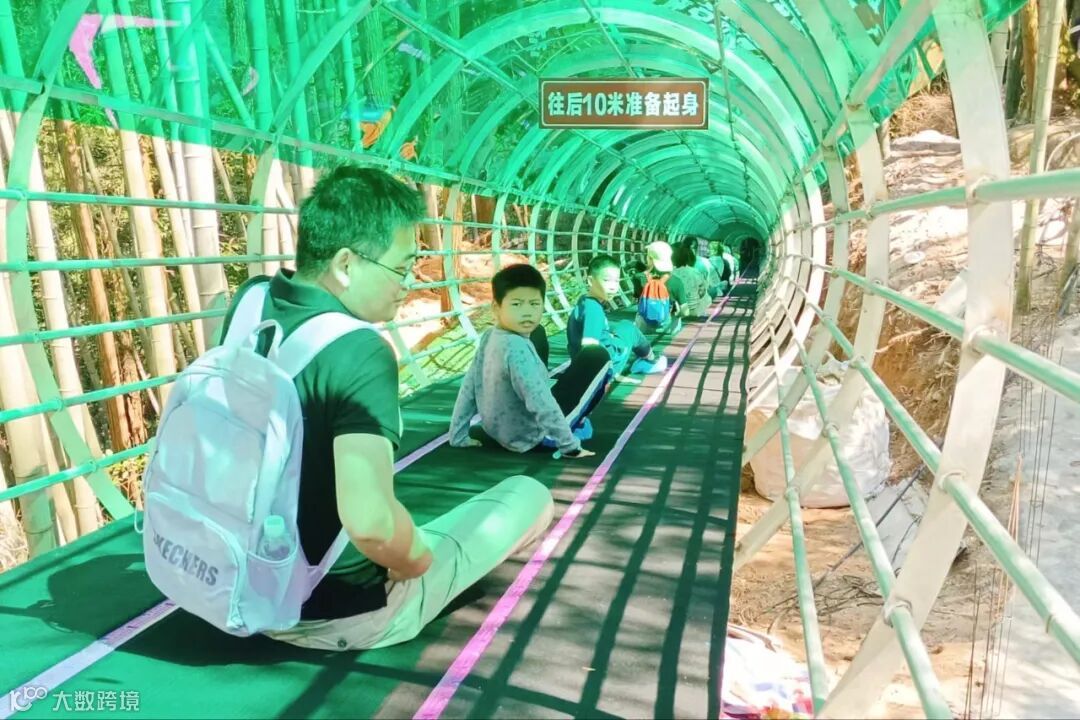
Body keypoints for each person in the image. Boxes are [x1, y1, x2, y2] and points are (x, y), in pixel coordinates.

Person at [216, 165, 554, 651]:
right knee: (528, 494)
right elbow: (371, 523)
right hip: (336, 616)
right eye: (401, 266)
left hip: (235, 585)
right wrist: (416, 562)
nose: (409, 282)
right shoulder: (359, 351)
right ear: (346, 264)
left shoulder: (250, 302)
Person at [450, 264, 609, 457]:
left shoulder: (489, 336)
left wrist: (458, 435)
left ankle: (559, 426)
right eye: (516, 304)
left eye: (534, 304)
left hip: (497, 430)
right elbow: (538, 399)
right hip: (532, 437)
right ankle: (574, 425)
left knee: (538, 333)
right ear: (496, 307)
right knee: (597, 355)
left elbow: (469, 387)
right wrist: (569, 446)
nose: (527, 312)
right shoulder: (516, 347)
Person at [567, 253, 667, 377]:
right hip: (608, 365)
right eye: (606, 280)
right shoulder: (594, 310)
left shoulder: (584, 301)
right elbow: (589, 346)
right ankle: (650, 361)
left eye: (616, 281)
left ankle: (646, 360)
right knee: (630, 329)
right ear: (590, 281)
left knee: (622, 325)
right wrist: (603, 377)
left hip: (580, 361)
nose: (613, 287)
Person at [668, 244, 710, 319]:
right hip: (695, 311)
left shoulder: (671, 274)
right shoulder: (695, 272)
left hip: (680, 311)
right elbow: (703, 292)